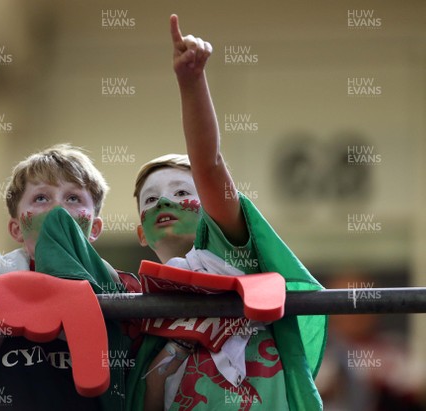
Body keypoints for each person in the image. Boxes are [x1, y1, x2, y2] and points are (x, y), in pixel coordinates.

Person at [125, 15, 327, 410]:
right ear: (141, 235)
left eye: (182, 191)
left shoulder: (229, 254)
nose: (164, 203)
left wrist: (192, 81)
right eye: (150, 200)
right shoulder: (139, 312)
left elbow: (209, 164)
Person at [0, 144, 138, 411]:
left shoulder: (116, 285)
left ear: (95, 228)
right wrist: (8, 306)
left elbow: (135, 376)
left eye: (73, 199)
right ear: (16, 228)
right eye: (42, 199)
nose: (57, 210)